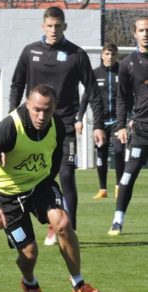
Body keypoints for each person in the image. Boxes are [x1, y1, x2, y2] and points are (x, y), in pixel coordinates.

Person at [0, 84, 102, 292]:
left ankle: (79, 283)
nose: (41, 116)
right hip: (8, 195)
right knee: (29, 253)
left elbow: (55, 158)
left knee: (63, 223)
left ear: (54, 108)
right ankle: (30, 283)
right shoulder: (9, 127)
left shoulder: (57, 126)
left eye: (47, 110)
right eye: (36, 109)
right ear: (27, 105)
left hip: (40, 186)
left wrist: (46, 183)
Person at [9, 6, 105, 246]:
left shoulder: (76, 55)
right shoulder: (30, 52)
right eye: (49, 26)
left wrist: (99, 125)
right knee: (36, 175)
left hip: (65, 129)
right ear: (43, 26)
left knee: (65, 175)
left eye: (58, 26)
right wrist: (12, 117)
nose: (53, 30)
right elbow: (16, 85)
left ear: (65, 26)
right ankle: (47, 223)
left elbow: (93, 91)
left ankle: (69, 229)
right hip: (34, 129)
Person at [108, 16, 148, 236]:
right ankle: (117, 220)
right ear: (135, 33)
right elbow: (122, 98)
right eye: (142, 30)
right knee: (127, 175)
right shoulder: (128, 63)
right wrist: (121, 126)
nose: (145, 33)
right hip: (141, 130)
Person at [77, 43, 125, 200]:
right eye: (107, 54)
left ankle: (119, 187)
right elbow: (85, 99)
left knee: (118, 151)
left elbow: (130, 96)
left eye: (113, 54)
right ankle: (103, 189)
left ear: (116, 56)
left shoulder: (122, 73)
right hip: (100, 123)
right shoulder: (95, 74)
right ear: (102, 55)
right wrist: (79, 118)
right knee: (101, 155)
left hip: (118, 121)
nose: (110, 57)